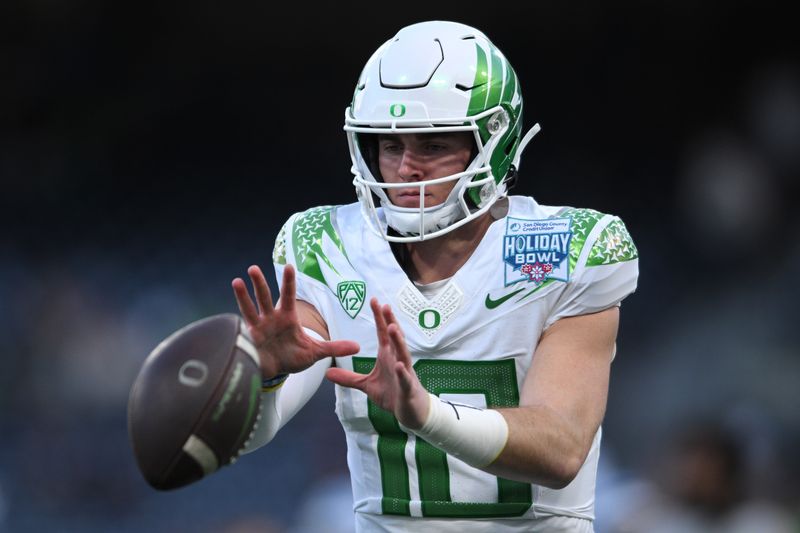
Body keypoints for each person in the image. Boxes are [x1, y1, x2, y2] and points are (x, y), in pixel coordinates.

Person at [232, 20, 639, 532]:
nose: (405, 169)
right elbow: (258, 430)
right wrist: (260, 378)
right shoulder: (326, 246)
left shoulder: (570, 247)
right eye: (390, 145)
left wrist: (426, 413)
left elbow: (560, 449)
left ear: (493, 142)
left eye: (432, 145)